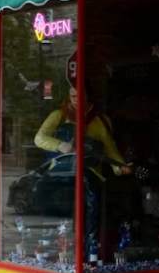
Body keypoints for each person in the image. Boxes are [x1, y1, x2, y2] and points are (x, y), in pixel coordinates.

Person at [34, 80, 131, 261]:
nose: (76, 99)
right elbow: (39, 138)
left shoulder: (100, 120)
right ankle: (61, 253)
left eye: (80, 95)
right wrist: (61, 145)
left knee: (91, 216)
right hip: (65, 171)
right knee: (63, 216)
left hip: (90, 173)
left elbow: (110, 150)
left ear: (88, 96)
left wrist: (119, 167)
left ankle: (90, 255)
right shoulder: (59, 116)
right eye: (72, 95)